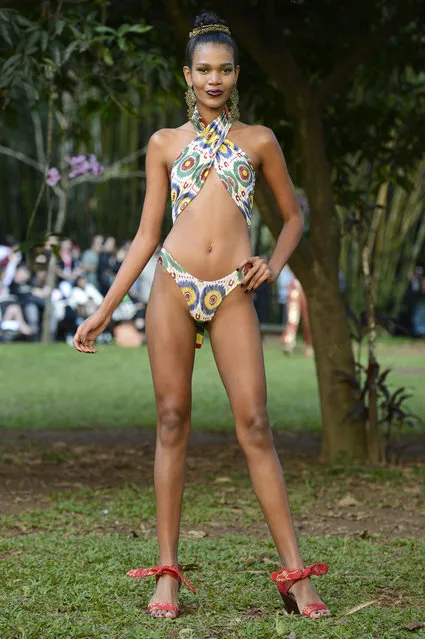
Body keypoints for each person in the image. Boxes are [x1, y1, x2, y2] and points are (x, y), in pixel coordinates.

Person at [74, 12, 329, 621]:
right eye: (203, 70)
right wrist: (106, 310)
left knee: (256, 425)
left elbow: (292, 216)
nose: (214, 79)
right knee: (171, 421)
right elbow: (145, 234)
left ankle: (294, 576)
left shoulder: (259, 139)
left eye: (224, 69)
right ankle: (166, 574)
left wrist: (275, 259)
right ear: (187, 75)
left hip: (234, 287)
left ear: (236, 75)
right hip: (173, 284)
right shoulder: (164, 144)